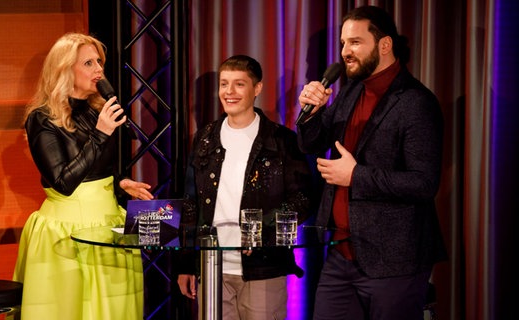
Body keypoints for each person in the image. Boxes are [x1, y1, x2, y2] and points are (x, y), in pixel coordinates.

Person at [296, 6, 447, 320]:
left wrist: (356, 176)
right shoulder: (351, 93)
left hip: (394, 262)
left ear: (384, 45)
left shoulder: (416, 102)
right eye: (342, 43)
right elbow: (311, 144)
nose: (345, 52)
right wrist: (311, 113)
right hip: (340, 255)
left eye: (354, 42)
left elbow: (423, 183)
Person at [12, 32, 154, 320]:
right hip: (65, 232)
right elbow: (62, 182)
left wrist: (120, 182)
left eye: (99, 62)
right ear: (65, 69)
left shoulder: (97, 110)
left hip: (108, 224)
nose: (99, 70)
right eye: (88, 63)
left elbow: (98, 167)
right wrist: (101, 134)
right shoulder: (41, 118)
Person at [177, 55, 313, 319]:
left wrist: (261, 232)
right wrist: (186, 264)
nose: (229, 92)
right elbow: (190, 204)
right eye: (224, 84)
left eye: (239, 84)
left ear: (257, 89)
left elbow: (303, 199)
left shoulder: (281, 140)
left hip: (264, 268)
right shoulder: (204, 138)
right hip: (212, 266)